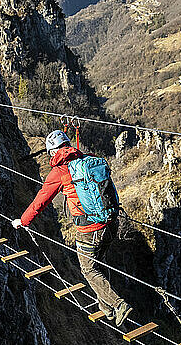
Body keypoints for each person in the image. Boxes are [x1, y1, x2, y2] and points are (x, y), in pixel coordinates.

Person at [12, 130, 133, 327]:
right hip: (111, 221)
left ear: (52, 152)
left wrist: (23, 221)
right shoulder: (89, 159)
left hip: (89, 229)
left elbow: (40, 201)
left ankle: (118, 305)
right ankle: (107, 307)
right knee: (98, 263)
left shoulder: (58, 173)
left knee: (88, 268)